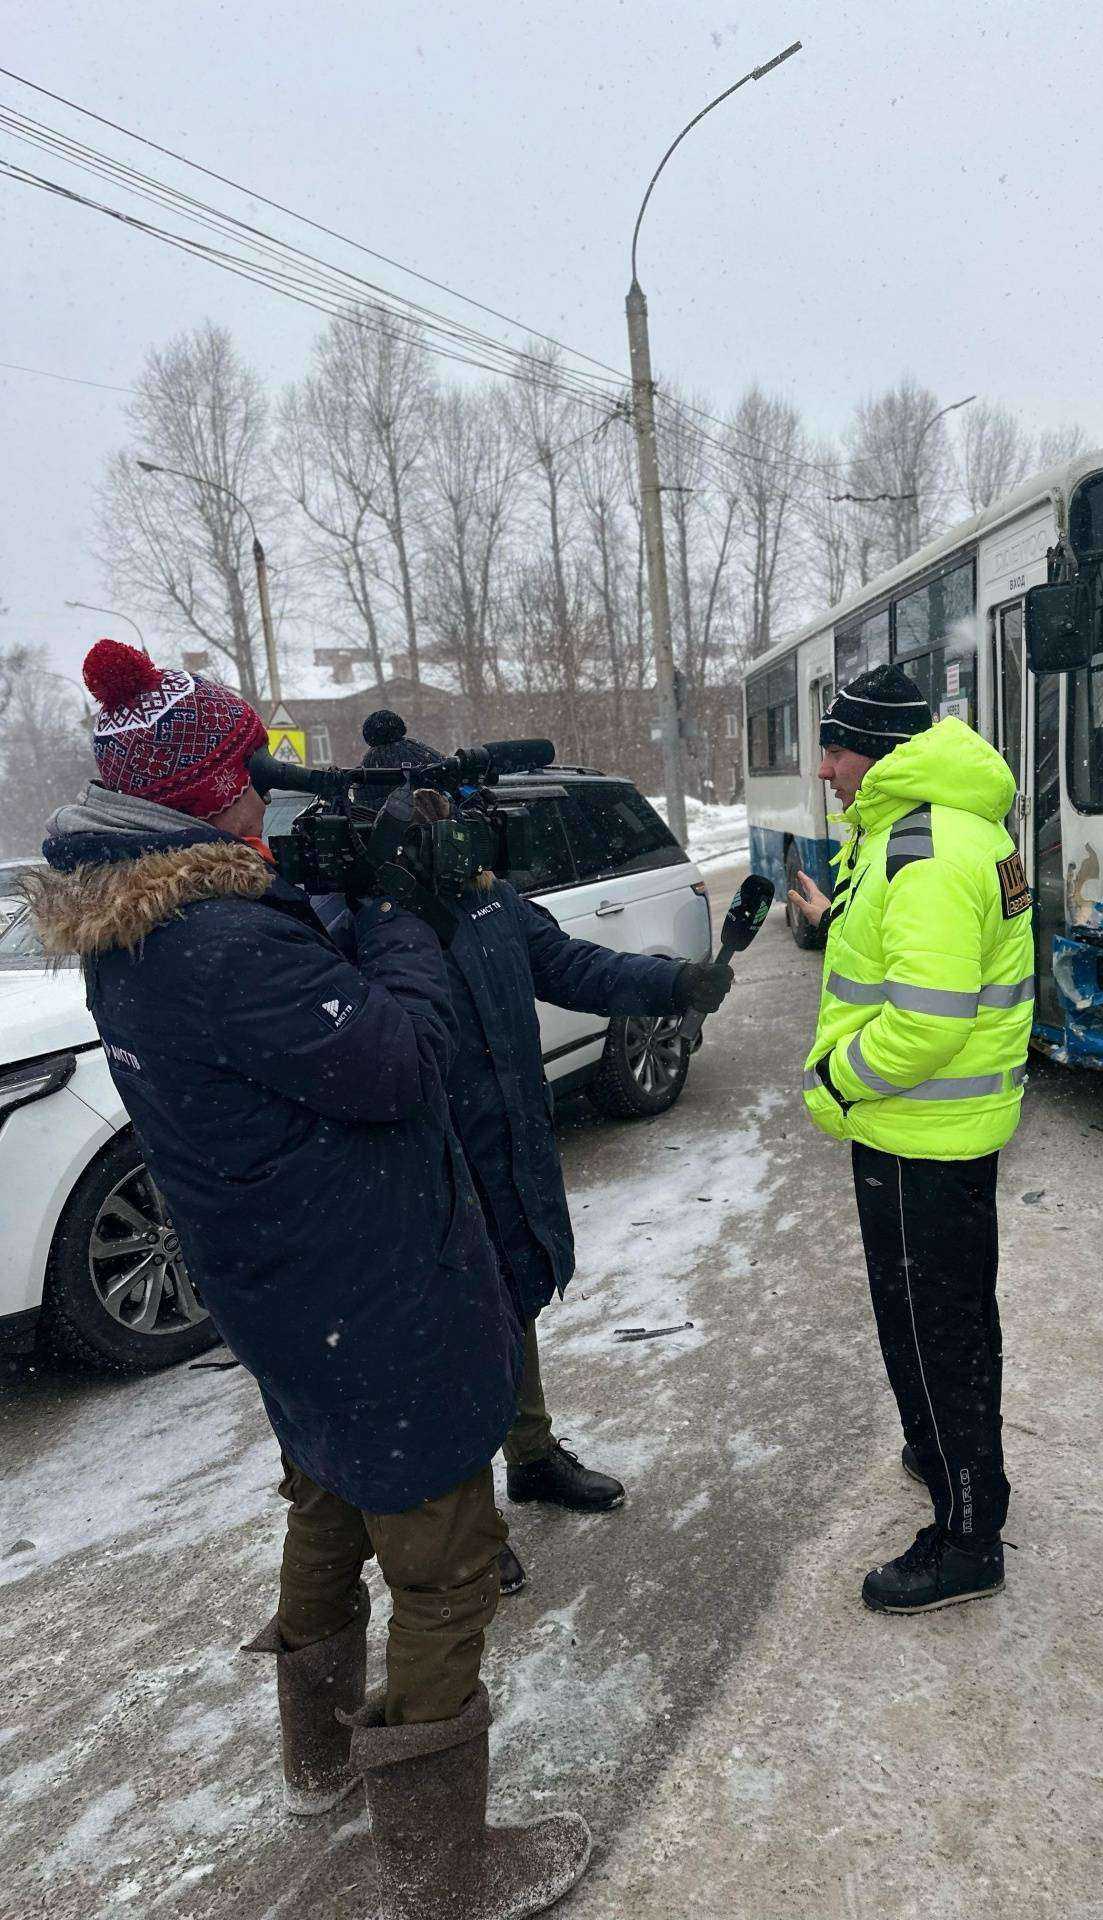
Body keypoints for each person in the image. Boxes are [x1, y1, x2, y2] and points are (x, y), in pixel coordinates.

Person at [25, 640, 590, 1920]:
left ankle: (320, 1758)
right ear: (206, 792)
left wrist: (342, 898)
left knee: (329, 1498)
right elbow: (396, 1061)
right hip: (374, 1288)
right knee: (444, 1560)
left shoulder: (146, 923)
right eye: (244, 777)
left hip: (290, 1293)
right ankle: (443, 1871)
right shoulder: (219, 943)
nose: (259, 800)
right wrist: (398, 918)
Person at [348, 712, 734, 1593]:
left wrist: (669, 981)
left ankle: (529, 1453)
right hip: (429, 1160)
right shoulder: (368, 921)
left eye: (451, 809)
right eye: (428, 811)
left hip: (510, 1132)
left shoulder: (487, 896)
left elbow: (568, 966)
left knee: (512, 1289)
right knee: (453, 1332)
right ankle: (469, 1516)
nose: (448, 826)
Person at [788, 662, 1034, 1615]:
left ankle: (967, 1535)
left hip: (914, 1133)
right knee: (957, 1321)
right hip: (943, 1133)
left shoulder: (921, 848)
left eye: (836, 747)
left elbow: (929, 1020)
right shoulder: (955, 829)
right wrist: (829, 919)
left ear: (881, 750)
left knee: (933, 1335)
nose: (823, 769)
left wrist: (837, 1082)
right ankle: (944, 1457)